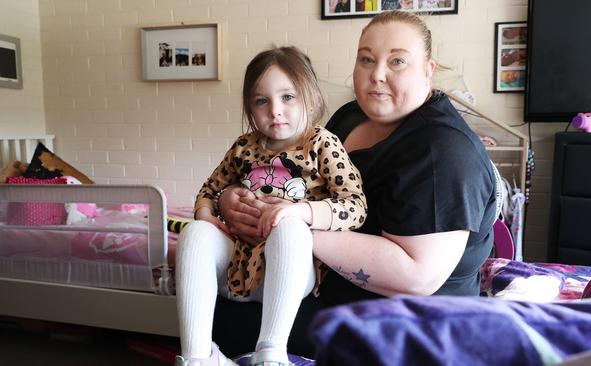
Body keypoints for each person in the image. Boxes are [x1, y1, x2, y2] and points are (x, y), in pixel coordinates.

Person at [215, 10, 498, 357]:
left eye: (397, 62)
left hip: (404, 325)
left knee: (233, 322)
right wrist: (232, 199)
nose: (377, 75)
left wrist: (287, 226)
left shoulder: (444, 152)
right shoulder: (350, 117)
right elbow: (291, 179)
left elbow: (416, 276)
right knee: (218, 298)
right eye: (366, 59)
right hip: (327, 288)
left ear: (428, 69)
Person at [174, 46, 367, 366]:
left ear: (314, 99)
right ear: (250, 108)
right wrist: (208, 214)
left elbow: (356, 205)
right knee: (195, 231)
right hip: (236, 268)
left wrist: (299, 212)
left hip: (289, 275)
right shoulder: (243, 147)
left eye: (288, 97)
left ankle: (271, 354)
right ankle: (199, 357)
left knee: (288, 225)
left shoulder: (322, 143)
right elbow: (209, 189)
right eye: (262, 101)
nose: (275, 110)